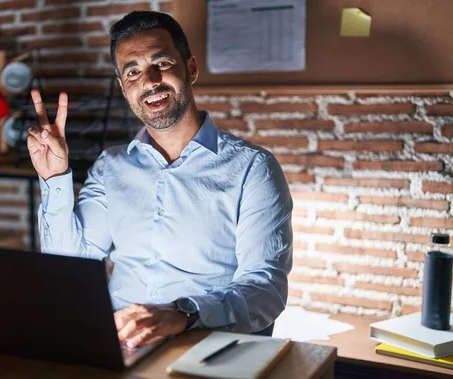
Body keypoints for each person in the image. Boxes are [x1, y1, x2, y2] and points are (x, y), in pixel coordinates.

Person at [27, 11, 293, 349]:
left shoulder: (253, 169)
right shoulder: (110, 167)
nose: (150, 81)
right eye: (133, 71)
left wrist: (182, 315)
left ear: (190, 68)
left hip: (203, 345)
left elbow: (264, 289)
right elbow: (70, 265)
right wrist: (54, 178)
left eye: (162, 63)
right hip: (117, 343)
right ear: (123, 88)